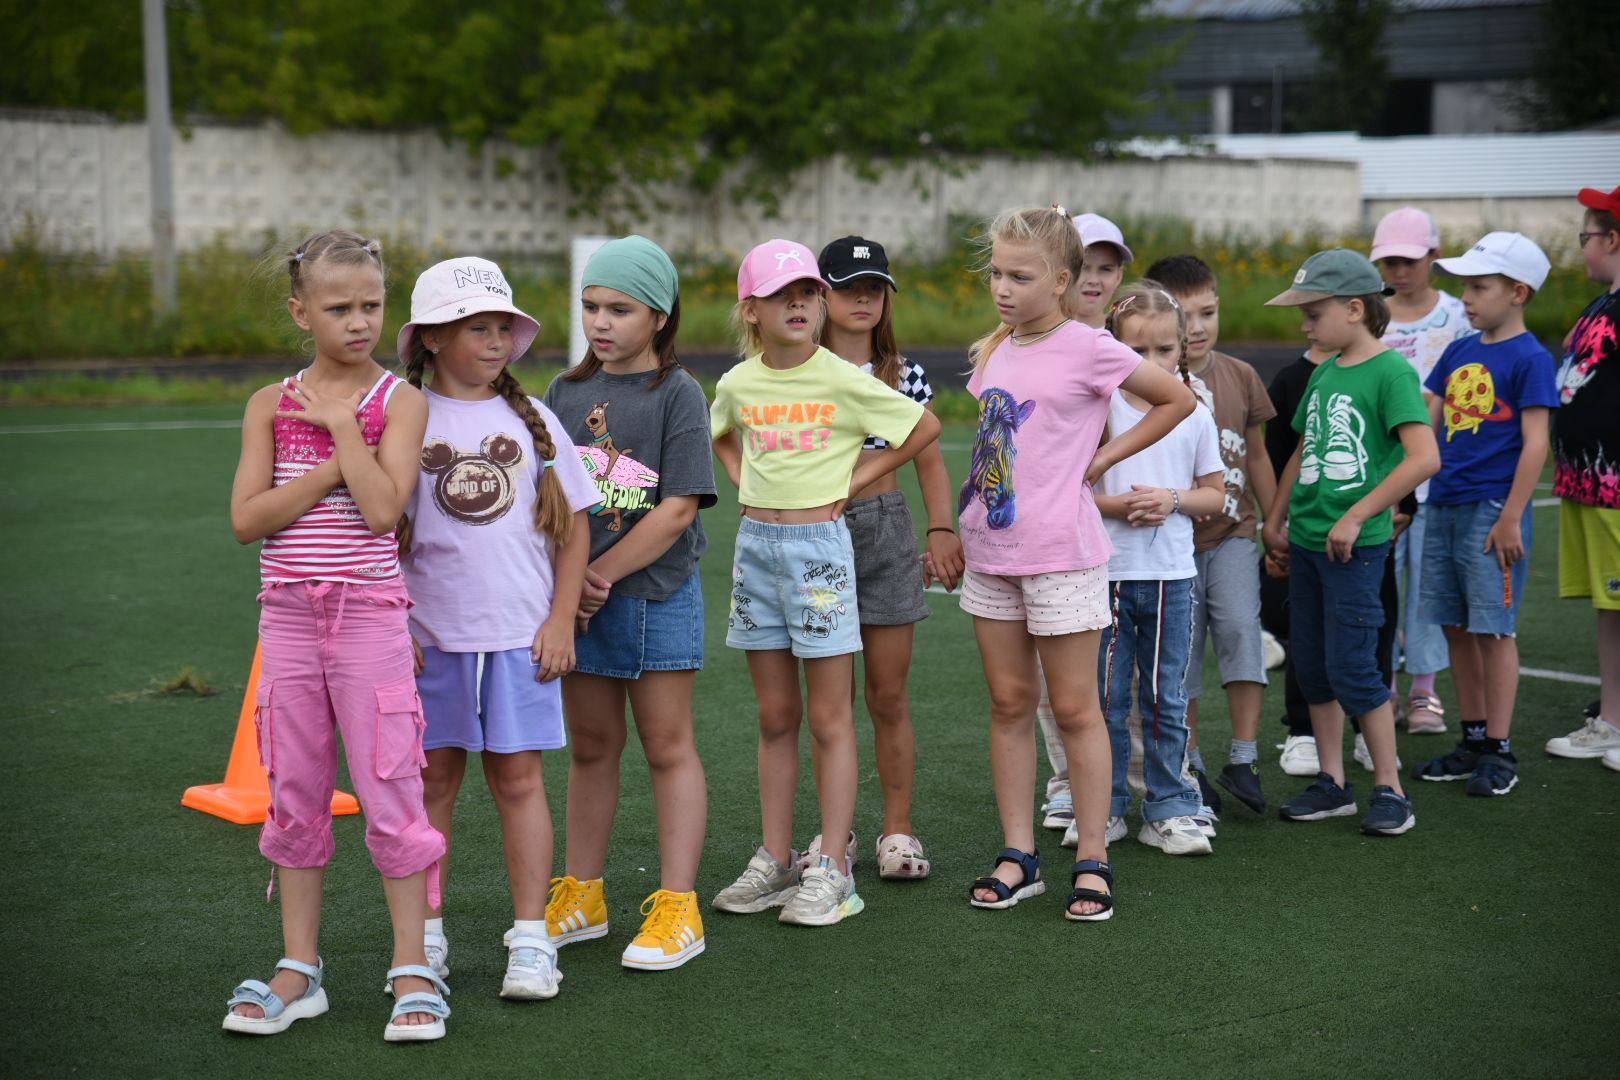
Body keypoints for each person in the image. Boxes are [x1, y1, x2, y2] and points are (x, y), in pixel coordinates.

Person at [224, 230, 448, 1041]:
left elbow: (385, 510)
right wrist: (326, 461)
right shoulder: (267, 405)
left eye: (372, 306)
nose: (359, 322)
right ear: (300, 311)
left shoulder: (401, 402)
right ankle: (300, 969)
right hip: (286, 617)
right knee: (293, 794)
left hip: (369, 621)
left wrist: (346, 432)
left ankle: (413, 967)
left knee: (392, 793)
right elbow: (249, 520)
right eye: (338, 307)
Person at [960, 205, 1193, 920]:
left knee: (1074, 709)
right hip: (991, 550)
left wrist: (1102, 460)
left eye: (1019, 275)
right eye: (996, 272)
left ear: (1061, 281)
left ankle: (1092, 857)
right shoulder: (996, 346)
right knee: (1009, 705)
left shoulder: (1091, 347)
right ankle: (1019, 853)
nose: (1002, 287)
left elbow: (1175, 398)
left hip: (1062, 552)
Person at [709, 238, 940, 926]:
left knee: (832, 716)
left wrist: (855, 479)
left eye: (808, 293)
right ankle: (777, 859)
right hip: (757, 549)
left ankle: (833, 869)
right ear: (751, 310)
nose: (801, 305)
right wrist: (742, 479)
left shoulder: (841, 375)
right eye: (784, 295)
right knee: (776, 716)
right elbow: (721, 432)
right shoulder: (738, 383)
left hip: (819, 553)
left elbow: (922, 427)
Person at [399, 256, 598, 1001]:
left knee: (518, 782)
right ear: (429, 340)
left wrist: (559, 619)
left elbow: (572, 529)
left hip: (521, 638)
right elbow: (380, 530)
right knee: (431, 784)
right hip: (429, 643)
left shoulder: (535, 419)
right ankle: (422, 938)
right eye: (475, 328)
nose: (493, 341)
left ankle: (531, 940)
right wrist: (400, 627)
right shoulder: (402, 416)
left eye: (501, 328)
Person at [541, 236, 717, 969]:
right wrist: (569, 584)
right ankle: (582, 894)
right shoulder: (561, 394)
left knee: (668, 747)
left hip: (656, 593)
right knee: (591, 749)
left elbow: (678, 508)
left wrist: (595, 574)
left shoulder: (678, 393)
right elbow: (549, 499)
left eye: (620, 308)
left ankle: (679, 907)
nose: (600, 322)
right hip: (583, 602)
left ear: (660, 314)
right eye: (590, 306)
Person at [1261, 249, 1439, 837]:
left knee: (1356, 668)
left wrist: (1359, 514)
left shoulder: (1391, 373)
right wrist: (1277, 519)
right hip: (1309, 546)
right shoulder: (1324, 372)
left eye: (1314, 314)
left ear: (1356, 309)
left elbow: (1424, 457)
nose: (1306, 326)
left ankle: (1390, 787)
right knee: (1312, 665)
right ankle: (1333, 784)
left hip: (1354, 549)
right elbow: (1302, 453)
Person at [817, 234, 963, 879]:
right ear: (819, 295)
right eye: (848, 288)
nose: (863, 299)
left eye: (873, 288)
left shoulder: (903, 372)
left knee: (888, 694)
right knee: (829, 701)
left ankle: (897, 831)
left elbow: (928, 456)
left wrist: (940, 529)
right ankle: (835, 836)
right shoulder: (794, 368)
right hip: (815, 532)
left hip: (885, 529)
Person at [1407, 232, 1557, 796]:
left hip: (1492, 508)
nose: (1465, 297)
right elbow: (1428, 416)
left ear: (1517, 292)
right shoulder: (1460, 349)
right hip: (1443, 502)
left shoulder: (1532, 358)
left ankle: (1499, 748)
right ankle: (1471, 740)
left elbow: (1537, 442)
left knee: (1493, 628)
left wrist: (1513, 516)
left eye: (1479, 286)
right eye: (1465, 285)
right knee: (1453, 624)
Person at [1143, 254, 1278, 817]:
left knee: (1243, 626)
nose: (1197, 327)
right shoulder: (1142, 382)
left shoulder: (1241, 376)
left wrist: (1277, 523)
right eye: (1184, 315)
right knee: (1183, 653)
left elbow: (1259, 454)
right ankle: (1190, 758)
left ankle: (1243, 756)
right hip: (1174, 543)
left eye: (1208, 312)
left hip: (1233, 533)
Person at [1095, 282, 1224, 855]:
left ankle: (1169, 807)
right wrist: (1119, 506)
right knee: (1105, 702)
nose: (1151, 363)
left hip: (1172, 578)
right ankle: (1104, 808)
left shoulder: (1194, 412)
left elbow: (1214, 496)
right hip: (1105, 578)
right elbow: (1071, 489)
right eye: (1137, 351)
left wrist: (1171, 500)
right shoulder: (1099, 409)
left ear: (1182, 350)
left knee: (1165, 699)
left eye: (1163, 352)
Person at [1035, 212, 1135, 836]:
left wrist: (1100, 464)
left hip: (1142, 532)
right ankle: (1068, 783)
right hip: (1065, 538)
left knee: (1147, 669)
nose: (1094, 279)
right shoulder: (1030, 342)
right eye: (1085, 267)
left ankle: (1162, 782)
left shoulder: (1137, 340)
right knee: (1061, 687)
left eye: (1108, 267)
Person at [1372, 207, 1474, 734]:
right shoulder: (1369, 314)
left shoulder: (1459, 315)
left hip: (1439, 478)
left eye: (1410, 260)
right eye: (1389, 261)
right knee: (1380, 583)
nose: (1399, 271)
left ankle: (1424, 692)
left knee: (1427, 586)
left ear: (1434, 256)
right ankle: (1383, 685)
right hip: (1381, 479)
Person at [1545, 185, 1620, 769]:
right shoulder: (1603, 304)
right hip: (1588, 485)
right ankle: (1613, 717)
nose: (1583, 248)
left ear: (1613, 239)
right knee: (1611, 604)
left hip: (1613, 486)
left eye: (1586, 237)